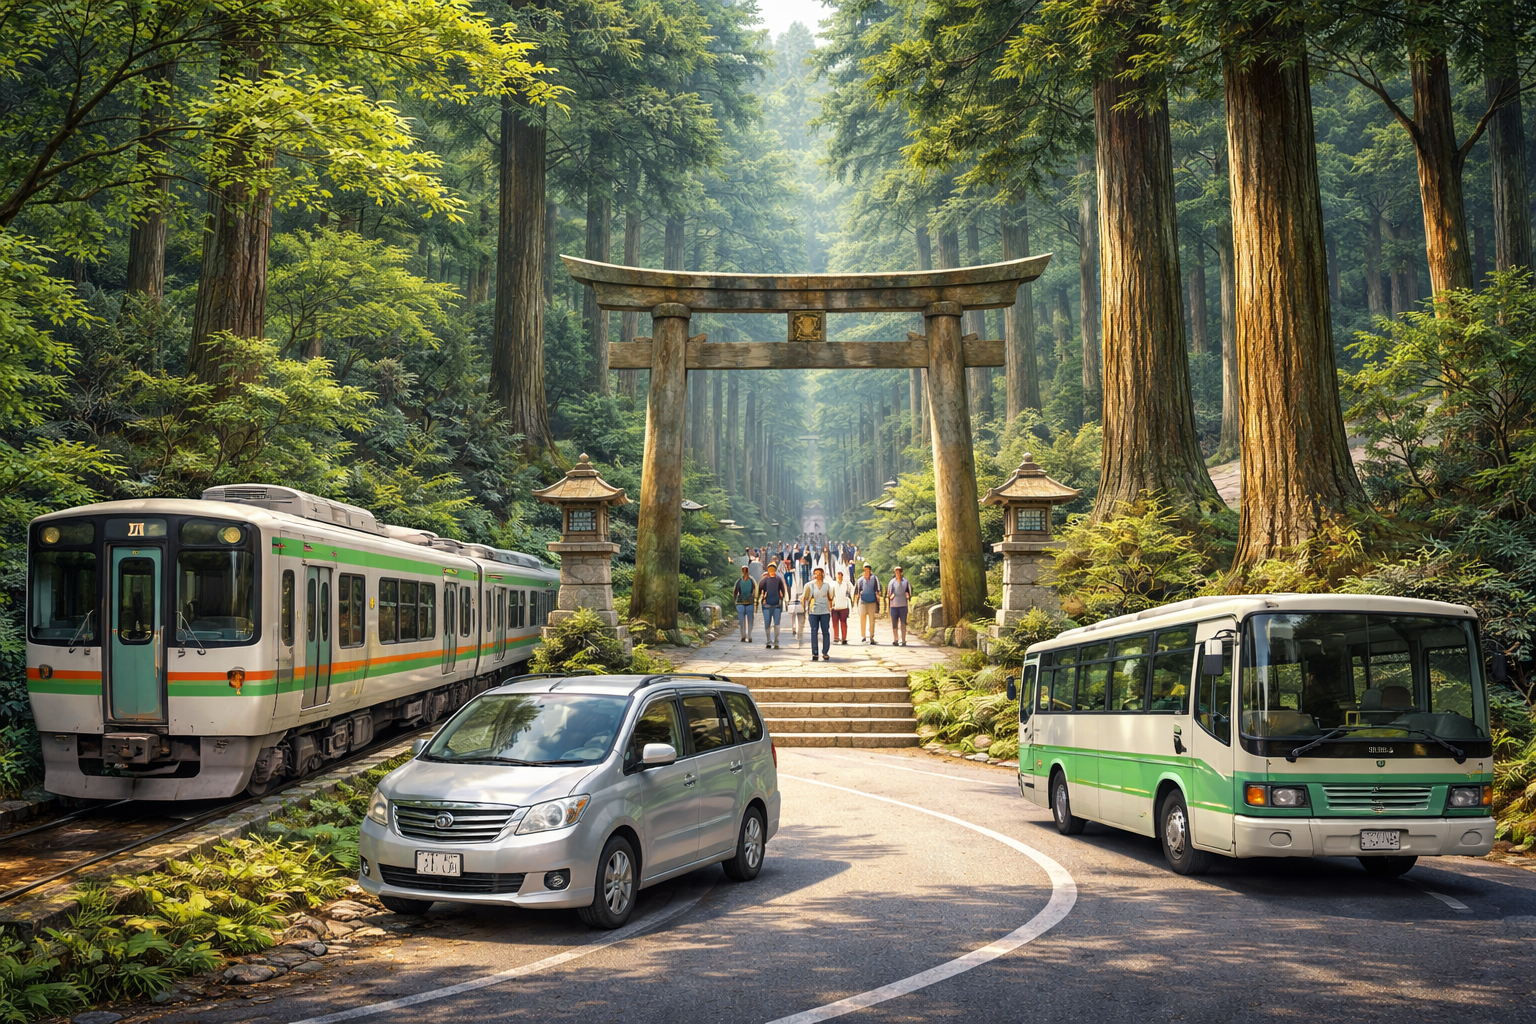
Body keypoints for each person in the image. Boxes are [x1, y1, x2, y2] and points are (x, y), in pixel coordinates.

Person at [804, 567, 834, 661]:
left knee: (825, 631)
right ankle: (815, 652)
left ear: (822, 574)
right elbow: (806, 597)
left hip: (824, 611)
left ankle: (825, 651)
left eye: (819, 573)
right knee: (814, 631)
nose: (818, 575)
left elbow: (830, 597)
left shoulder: (827, 586)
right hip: (813, 611)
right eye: (816, 573)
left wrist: (830, 607)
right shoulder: (810, 585)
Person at [758, 562, 788, 649]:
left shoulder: (778, 579)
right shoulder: (764, 580)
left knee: (776, 624)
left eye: (773, 569)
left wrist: (782, 599)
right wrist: (762, 598)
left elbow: (782, 590)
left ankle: (776, 640)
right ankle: (768, 640)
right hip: (766, 605)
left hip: (777, 605)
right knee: (767, 624)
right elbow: (760, 590)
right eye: (770, 569)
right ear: (768, 570)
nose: (772, 571)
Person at [886, 565, 913, 646]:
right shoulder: (892, 582)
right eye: (896, 571)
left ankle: (904, 640)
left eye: (899, 571)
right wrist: (890, 596)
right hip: (894, 605)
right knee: (894, 623)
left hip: (903, 605)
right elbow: (888, 593)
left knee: (903, 623)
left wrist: (908, 596)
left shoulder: (905, 582)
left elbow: (909, 591)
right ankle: (896, 639)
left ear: (901, 572)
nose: (898, 573)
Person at [856, 564, 882, 643]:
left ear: (870, 570)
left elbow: (877, 590)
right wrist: (857, 601)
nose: (866, 571)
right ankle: (863, 636)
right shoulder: (860, 580)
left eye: (868, 569)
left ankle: (871, 636)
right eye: (865, 569)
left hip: (872, 601)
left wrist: (878, 600)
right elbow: (858, 591)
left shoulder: (874, 578)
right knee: (862, 618)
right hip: (863, 601)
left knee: (872, 619)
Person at [733, 566, 757, 642]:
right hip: (743, 602)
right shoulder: (740, 581)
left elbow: (735, 591)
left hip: (747, 602)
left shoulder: (747, 580)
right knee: (743, 620)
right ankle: (745, 635)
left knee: (747, 620)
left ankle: (747, 635)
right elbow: (735, 591)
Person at [831, 570, 853, 644]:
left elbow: (850, 593)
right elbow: (830, 595)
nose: (840, 577)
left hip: (844, 606)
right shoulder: (832, 584)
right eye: (838, 575)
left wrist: (851, 603)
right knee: (835, 623)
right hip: (835, 606)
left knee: (843, 622)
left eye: (841, 575)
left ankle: (844, 638)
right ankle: (836, 637)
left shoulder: (846, 584)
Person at [788, 568, 807, 645]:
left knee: (800, 619)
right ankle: (795, 629)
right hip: (793, 601)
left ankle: (799, 633)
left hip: (800, 600)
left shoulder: (804, 576)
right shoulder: (789, 577)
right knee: (794, 617)